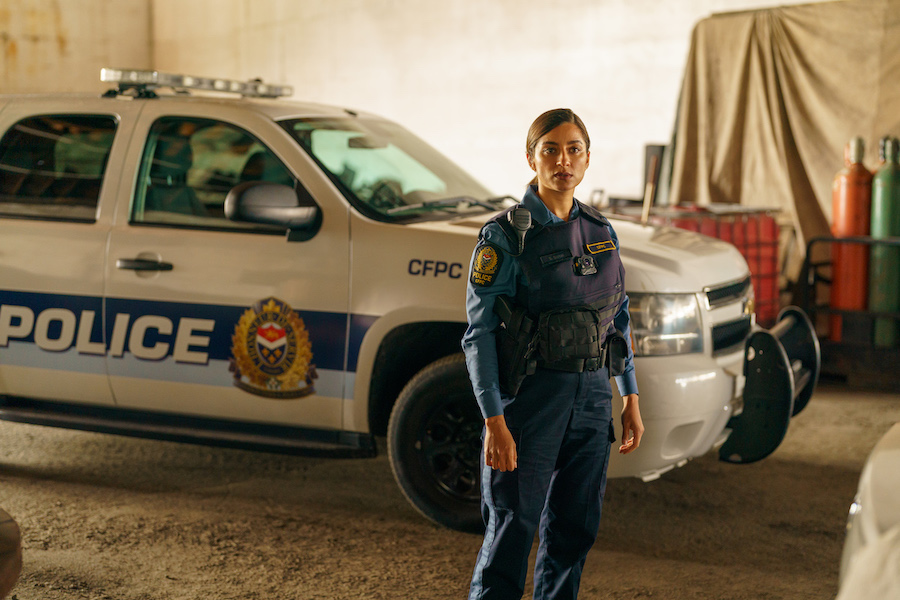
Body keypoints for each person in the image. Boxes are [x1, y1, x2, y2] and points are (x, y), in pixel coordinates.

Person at [463, 108, 643, 600]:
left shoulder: (600, 230)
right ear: (531, 157)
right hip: (529, 402)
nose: (563, 161)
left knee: (574, 530)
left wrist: (629, 395)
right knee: (511, 531)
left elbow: (618, 316)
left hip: (589, 400)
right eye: (551, 150)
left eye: (574, 150)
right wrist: (494, 421)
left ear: (587, 160)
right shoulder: (505, 236)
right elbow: (477, 335)